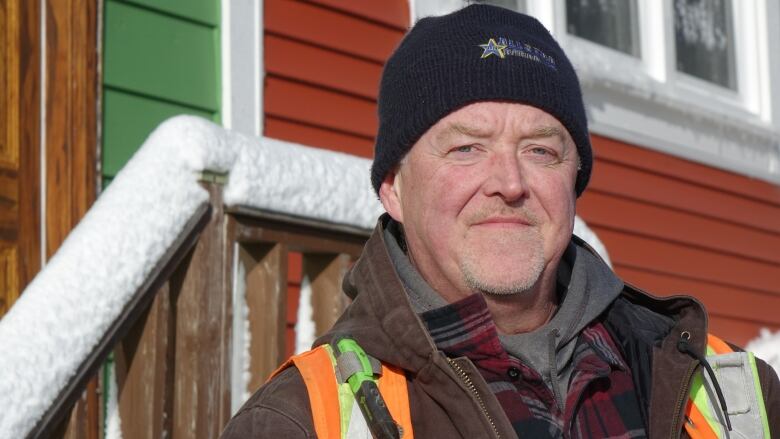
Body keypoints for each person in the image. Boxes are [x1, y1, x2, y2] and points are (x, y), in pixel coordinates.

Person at [221, 5, 779, 438]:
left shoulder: (731, 396)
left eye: (540, 151)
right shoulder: (300, 421)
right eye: (466, 149)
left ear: (574, 178)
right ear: (394, 187)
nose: (510, 183)